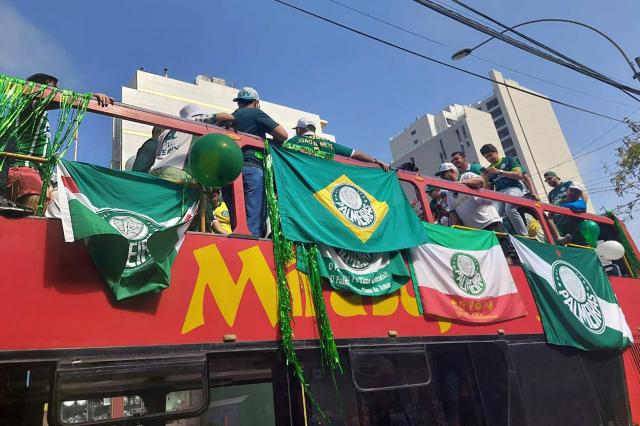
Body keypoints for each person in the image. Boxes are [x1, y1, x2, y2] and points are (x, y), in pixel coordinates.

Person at [6, 73, 112, 212]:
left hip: (40, 171)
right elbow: (50, 101)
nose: (58, 92)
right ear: (36, 89)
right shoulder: (28, 103)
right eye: (53, 89)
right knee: (33, 207)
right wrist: (89, 98)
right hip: (24, 167)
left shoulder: (40, 111)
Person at [231, 87, 288, 237]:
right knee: (253, 220)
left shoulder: (231, 117)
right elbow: (282, 135)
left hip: (231, 171)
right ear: (256, 102)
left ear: (238, 103)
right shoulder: (256, 113)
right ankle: (250, 252)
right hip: (252, 168)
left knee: (236, 218)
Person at [149, 104, 234, 182]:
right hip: (176, 171)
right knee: (199, 189)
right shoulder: (195, 121)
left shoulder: (167, 131)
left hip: (155, 170)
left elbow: (158, 153)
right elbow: (226, 116)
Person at [285, 117, 390, 170]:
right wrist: (376, 161)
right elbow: (356, 154)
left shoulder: (292, 142)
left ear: (299, 130)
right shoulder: (329, 144)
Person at [479, 144, 528, 236]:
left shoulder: (508, 160)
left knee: (509, 208)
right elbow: (488, 190)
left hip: (514, 189)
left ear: (496, 152)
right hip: (499, 194)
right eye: (486, 157)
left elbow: (519, 175)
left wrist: (500, 172)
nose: (489, 159)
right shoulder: (490, 169)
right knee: (493, 215)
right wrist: (485, 177)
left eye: (490, 155)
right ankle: (507, 238)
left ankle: (524, 235)